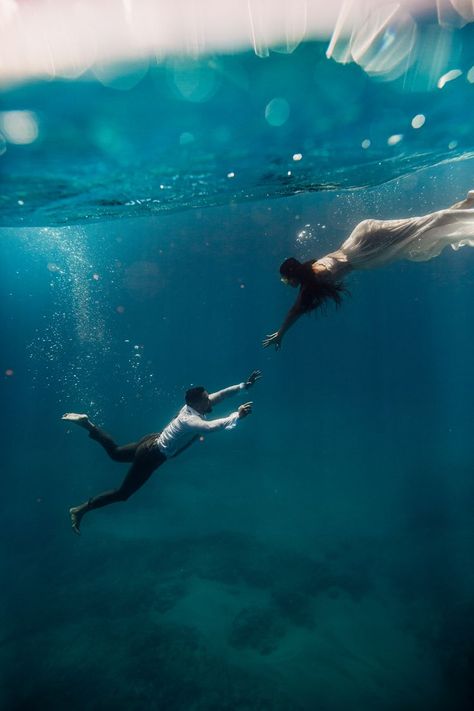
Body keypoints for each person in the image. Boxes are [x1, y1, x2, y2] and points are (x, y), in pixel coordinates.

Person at [263, 190, 474, 349]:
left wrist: (281, 333)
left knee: (422, 228)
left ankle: (469, 209)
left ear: (292, 275)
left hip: (366, 250)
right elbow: (298, 307)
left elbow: (295, 310)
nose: (287, 284)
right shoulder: (312, 272)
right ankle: (468, 204)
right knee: (421, 226)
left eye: (285, 280)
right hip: (361, 240)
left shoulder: (314, 279)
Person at [64, 370, 261, 534]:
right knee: (123, 494)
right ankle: (80, 510)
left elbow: (224, 394)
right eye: (206, 399)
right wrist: (237, 415)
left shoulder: (192, 407)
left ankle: (88, 424)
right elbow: (210, 427)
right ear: (197, 404)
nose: (210, 401)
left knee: (115, 453)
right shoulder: (189, 420)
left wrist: (245, 386)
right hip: (152, 455)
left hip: (151, 441)